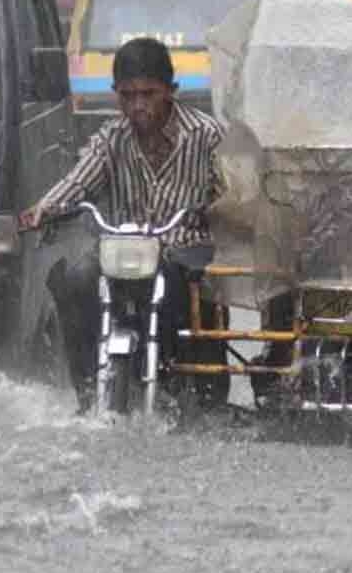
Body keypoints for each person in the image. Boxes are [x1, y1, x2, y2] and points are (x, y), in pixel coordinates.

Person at [18, 37, 226, 413]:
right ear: (116, 94)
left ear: (170, 91)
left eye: (149, 94)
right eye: (128, 95)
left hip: (182, 250)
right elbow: (80, 180)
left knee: (195, 298)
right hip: (122, 248)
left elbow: (231, 193)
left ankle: (190, 385)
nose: (138, 105)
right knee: (76, 279)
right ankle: (86, 393)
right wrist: (44, 209)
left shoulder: (206, 135)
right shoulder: (110, 138)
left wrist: (222, 210)